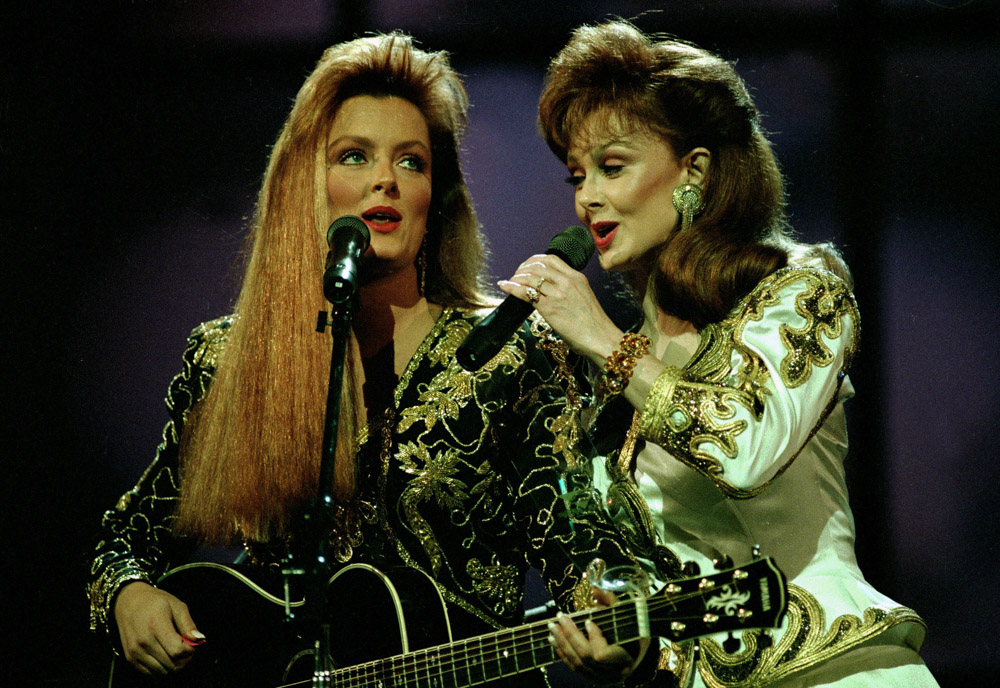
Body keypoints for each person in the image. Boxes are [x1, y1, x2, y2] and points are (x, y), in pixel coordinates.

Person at [87, 33, 643, 687]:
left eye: (411, 162)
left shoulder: (511, 357)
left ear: (434, 199)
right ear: (305, 186)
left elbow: (582, 551)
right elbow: (131, 533)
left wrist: (614, 628)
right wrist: (128, 593)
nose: (386, 178)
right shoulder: (226, 362)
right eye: (355, 156)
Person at [500, 20, 939, 687]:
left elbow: (746, 447)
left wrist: (604, 344)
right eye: (577, 175)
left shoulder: (801, 287)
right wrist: (635, 651)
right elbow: (674, 586)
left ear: (694, 171)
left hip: (841, 670)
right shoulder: (622, 367)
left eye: (612, 167)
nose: (587, 197)